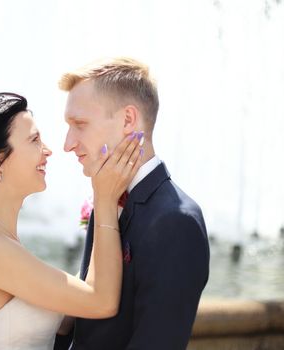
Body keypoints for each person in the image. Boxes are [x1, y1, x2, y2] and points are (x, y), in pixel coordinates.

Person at [0, 92, 144, 350]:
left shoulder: (0, 241)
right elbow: (101, 301)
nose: (48, 151)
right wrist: (104, 199)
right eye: (35, 140)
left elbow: (69, 317)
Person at [54, 57, 210, 350]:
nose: (67, 143)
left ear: (128, 120)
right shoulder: (105, 197)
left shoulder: (177, 222)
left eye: (80, 124)